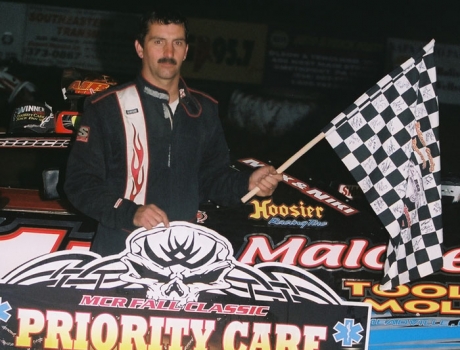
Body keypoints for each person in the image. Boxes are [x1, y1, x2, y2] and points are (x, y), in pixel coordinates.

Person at [64, 8, 282, 256]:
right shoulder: (106, 107)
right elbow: (80, 184)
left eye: (177, 43)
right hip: (119, 253)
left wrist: (247, 183)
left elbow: (212, 180)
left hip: (184, 257)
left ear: (186, 50)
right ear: (139, 48)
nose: (168, 53)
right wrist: (130, 212)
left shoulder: (204, 109)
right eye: (158, 42)